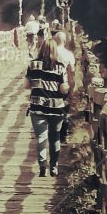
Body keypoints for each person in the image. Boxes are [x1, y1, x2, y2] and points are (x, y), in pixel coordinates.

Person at [25, 38, 69, 177]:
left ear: (41, 49)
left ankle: (42, 165)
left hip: (37, 106)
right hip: (56, 108)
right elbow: (63, 89)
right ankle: (54, 166)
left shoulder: (33, 65)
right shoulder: (60, 67)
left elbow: (26, 85)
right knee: (55, 137)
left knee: (40, 137)